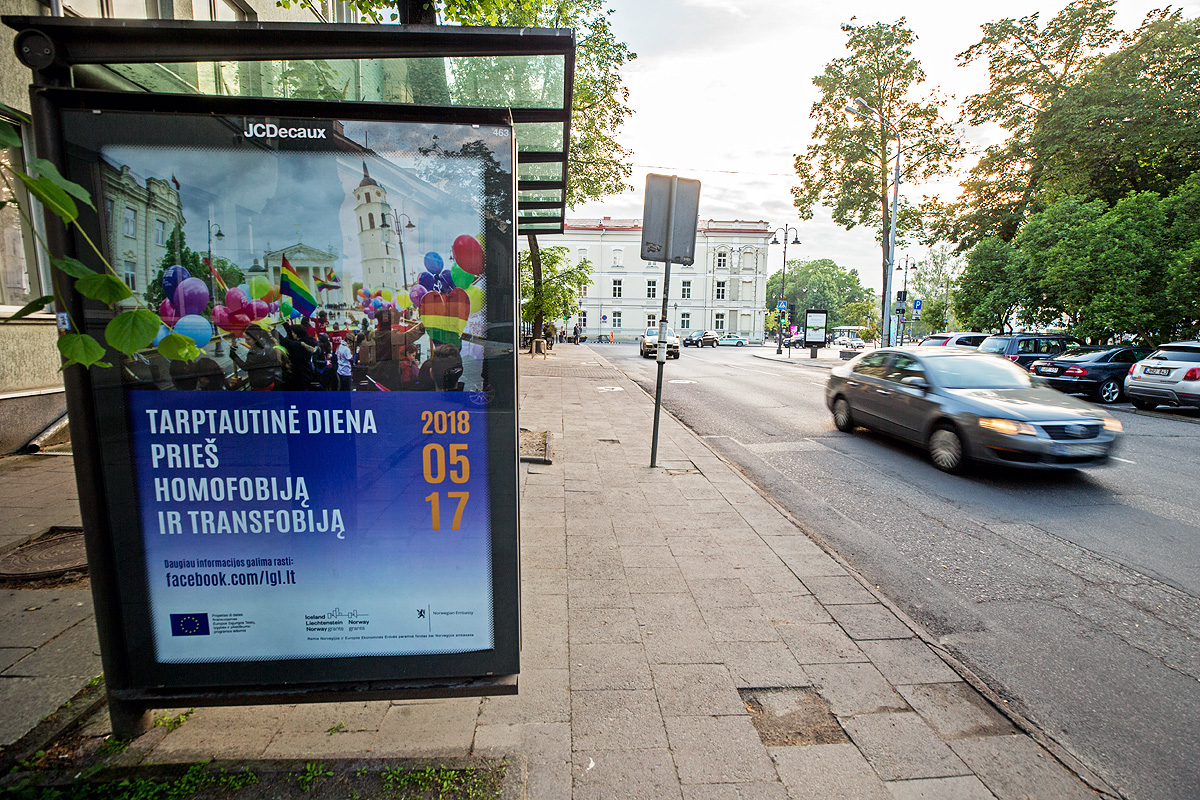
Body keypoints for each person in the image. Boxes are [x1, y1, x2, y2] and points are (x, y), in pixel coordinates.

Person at [230, 326, 284, 390]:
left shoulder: (256, 352)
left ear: (257, 337)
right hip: (269, 379)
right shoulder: (265, 342)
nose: (246, 342)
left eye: (248, 339)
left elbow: (245, 367)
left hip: (261, 384)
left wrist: (233, 355)